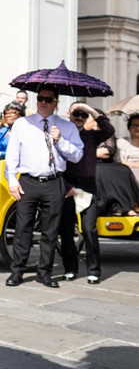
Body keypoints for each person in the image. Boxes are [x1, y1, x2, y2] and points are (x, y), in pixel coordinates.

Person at [4, 86, 84, 288]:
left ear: (56, 102)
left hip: (54, 182)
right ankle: (17, 271)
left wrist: (60, 141)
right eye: (40, 98)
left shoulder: (66, 127)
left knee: (50, 231)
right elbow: (12, 155)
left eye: (48, 100)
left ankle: (44, 273)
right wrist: (12, 180)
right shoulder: (23, 124)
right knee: (23, 229)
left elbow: (77, 155)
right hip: (28, 181)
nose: (43, 102)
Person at [59, 102, 114, 285]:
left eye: (83, 115)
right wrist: (67, 186)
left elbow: (108, 129)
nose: (79, 117)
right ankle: (70, 269)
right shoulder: (62, 135)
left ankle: (93, 271)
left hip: (88, 185)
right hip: (68, 184)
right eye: (76, 113)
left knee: (89, 229)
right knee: (66, 230)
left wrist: (90, 110)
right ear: (69, 114)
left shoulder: (91, 136)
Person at [95, 135, 139, 216]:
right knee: (100, 171)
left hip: (107, 162)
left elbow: (110, 150)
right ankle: (113, 207)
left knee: (124, 169)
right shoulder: (79, 130)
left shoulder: (106, 130)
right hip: (89, 163)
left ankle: (126, 207)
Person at [117, 113, 139, 183]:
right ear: (129, 128)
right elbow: (120, 161)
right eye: (135, 125)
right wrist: (134, 165)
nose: (138, 128)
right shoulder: (121, 142)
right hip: (125, 175)